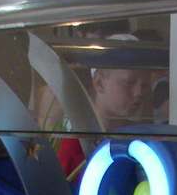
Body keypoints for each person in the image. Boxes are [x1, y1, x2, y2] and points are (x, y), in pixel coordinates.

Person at [57, 33, 152, 182]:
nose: (139, 92)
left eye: (144, 85)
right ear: (99, 83)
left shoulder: (141, 138)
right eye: (129, 83)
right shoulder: (76, 144)